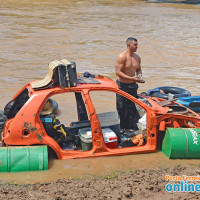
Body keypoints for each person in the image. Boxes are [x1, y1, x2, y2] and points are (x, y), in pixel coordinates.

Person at [115, 37, 145, 130]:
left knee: (132, 108)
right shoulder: (122, 56)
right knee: (122, 109)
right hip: (122, 86)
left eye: (137, 44)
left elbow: (139, 69)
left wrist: (139, 76)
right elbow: (118, 72)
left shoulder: (137, 57)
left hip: (132, 85)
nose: (137, 46)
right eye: (135, 44)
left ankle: (131, 128)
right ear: (129, 45)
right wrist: (132, 78)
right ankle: (122, 129)